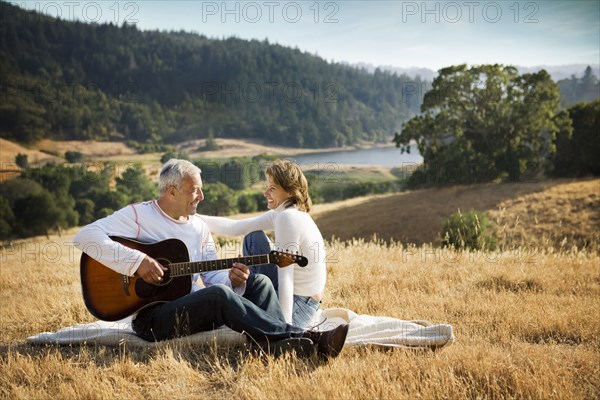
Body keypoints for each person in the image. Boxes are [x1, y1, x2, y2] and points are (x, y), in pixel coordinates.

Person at [73, 159, 348, 358]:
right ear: (172, 191)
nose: (202, 197)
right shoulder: (137, 216)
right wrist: (137, 262)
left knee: (260, 281)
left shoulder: (198, 227)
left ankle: (275, 347)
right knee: (217, 296)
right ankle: (303, 338)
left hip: (191, 309)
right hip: (153, 318)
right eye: (195, 191)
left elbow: (211, 275)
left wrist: (232, 279)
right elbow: (85, 237)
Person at [201, 159, 326, 329]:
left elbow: (286, 276)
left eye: (272, 188)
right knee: (253, 236)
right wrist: (193, 218)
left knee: (237, 313)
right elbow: (235, 227)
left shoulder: (288, 218)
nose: (266, 193)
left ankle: (256, 301)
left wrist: (285, 326)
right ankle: (251, 293)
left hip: (301, 305)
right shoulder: (282, 213)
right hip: (302, 298)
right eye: (266, 186)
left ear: (289, 192)